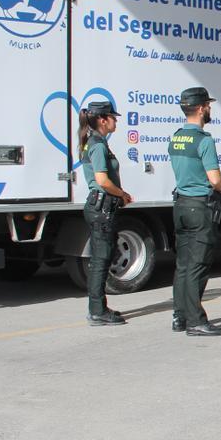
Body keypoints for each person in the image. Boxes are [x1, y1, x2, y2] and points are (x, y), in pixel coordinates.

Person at [168, 86, 221, 337]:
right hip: (200, 207)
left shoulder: (176, 137)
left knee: (183, 264)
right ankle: (196, 321)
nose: (210, 109)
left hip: (180, 205)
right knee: (198, 265)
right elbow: (214, 179)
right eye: (209, 105)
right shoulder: (204, 140)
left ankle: (179, 316)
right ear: (202, 108)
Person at [78, 101, 133, 326]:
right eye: (112, 117)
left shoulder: (92, 142)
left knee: (101, 257)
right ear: (103, 120)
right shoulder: (98, 144)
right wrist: (122, 194)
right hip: (102, 207)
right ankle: (97, 311)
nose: (116, 120)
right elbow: (102, 180)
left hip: (98, 207)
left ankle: (98, 307)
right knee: (101, 259)